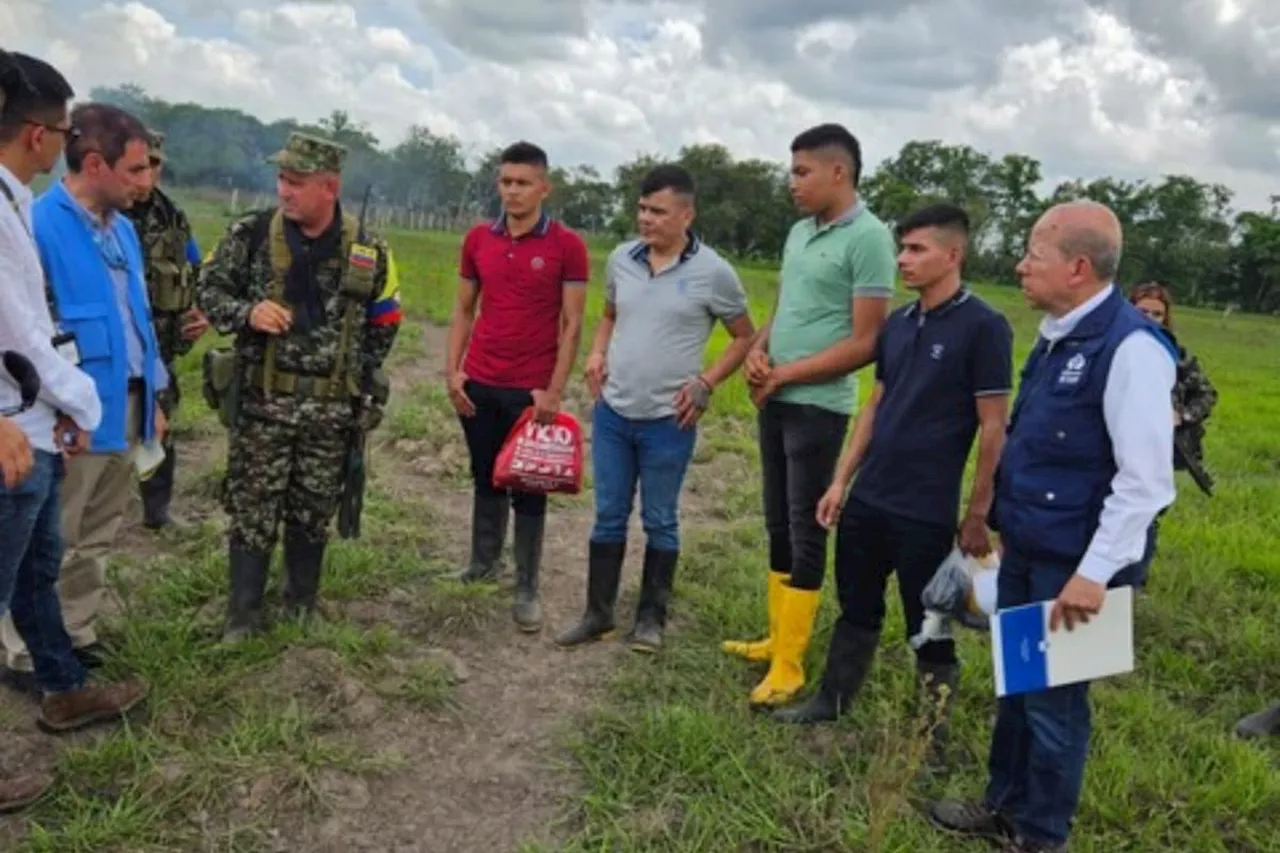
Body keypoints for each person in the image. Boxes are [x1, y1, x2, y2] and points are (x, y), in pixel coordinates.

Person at [928, 201, 1178, 853]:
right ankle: (1002, 804)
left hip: (1078, 567)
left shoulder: (1132, 349)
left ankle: (1042, 837)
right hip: (1030, 550)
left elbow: (1145, 481)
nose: (1020, 264)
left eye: (1033, 253)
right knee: (1019, 684)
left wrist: (1093, 574)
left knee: (1056, 705)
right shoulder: (1057, 332)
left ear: (1078, 265)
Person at [771, 203, 1013, 770]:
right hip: (870, 498)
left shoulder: (984, 327)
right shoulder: (900, 325)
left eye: (917, 249)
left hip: (926, 509)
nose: (903, 259)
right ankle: (832, 699)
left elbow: (993, 425)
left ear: (952, 255)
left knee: (927, 620)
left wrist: (978, 511)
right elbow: (875, 404)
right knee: (856, 603)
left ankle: (932, 737)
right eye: (901, 248)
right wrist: (839, 481)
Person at [0, 50, 148, 811]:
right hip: (16, 429)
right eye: (58, 128)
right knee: (16, 571)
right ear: (38, 134)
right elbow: (21, 328)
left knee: (42, 565)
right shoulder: (22, 212)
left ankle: (62, 682)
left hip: (43, 416)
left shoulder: (18, 203)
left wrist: (65, 404)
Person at [197, 131, 402, 642]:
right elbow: (208, 287)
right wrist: (247, 312)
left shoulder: (368, 247)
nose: (284, 191)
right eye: (281, 180)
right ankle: (242, 618)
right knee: (252, 509)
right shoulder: (250, 234)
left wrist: (356, 377)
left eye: (296, 182)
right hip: (264, 403)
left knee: (313, 511)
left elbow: (386, 315)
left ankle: (300, 605)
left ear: (328, 186)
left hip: (330, 414)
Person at [722, 123, 896, 707]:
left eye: (802, 172)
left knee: (805, 528)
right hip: (777, 396)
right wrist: (759, 351)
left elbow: (868, 341)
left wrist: (788, 374)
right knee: (776, 521)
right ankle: (777, 639)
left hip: (818, 408)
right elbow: (785, 307)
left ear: (838, 173)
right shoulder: (800, 232)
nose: (791, 183)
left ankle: (792, 666)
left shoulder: (869, 238)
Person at [554, 165, 755, 653]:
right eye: (642, 209)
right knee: (608, 515)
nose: (646, 219)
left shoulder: (714, 273)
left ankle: (650, 618)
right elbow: (608, 316)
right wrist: (598, 352)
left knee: (660, 518)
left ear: (686, 215)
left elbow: (745, 336)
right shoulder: (623, 258)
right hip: (613, 414)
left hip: (669, 421)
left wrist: (706, 383)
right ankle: (598, 614)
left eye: (657, 211)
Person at [0, 101, 169, 682]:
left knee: (97, 530)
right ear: (95, 164)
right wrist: (53, 409)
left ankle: (75, 631)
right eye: (136, 169)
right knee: (52, 537)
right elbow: (27, 332)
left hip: (128, 400)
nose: (146, 182)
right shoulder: (39, 224)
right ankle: (27, 651)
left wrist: (158, 394)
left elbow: (138, 317)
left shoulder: (123, 231)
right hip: (68, 410)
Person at [444, 141, 589, 632]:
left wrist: (553, 390)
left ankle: (527, 585)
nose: (512, 191)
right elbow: (464, 308)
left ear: (544, 187)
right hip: (479, 381)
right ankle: (483, 563)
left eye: (523, 182)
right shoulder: (478, 239)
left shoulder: (566, 246)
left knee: (529, 484)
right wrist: (453, 370)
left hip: (530, 392)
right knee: (484, 477)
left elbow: (572, 324)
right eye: (505, 181)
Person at [124, 128, 209, 530]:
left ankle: (156, 511)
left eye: (155, 164)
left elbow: (193, 271)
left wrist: (199, 312)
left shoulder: (172, 215)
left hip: (160, 345)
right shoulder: (102, 209)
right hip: (110, 343)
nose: (148, 173)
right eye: (142, 163)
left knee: (161, 424)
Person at [1127, 282, 1217, 588]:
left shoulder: (1176, 354)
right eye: (1142, 311)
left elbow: (1206, 394)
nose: (1150, 318)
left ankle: (1135, 583)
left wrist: (1182, 416)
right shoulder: (1112, 348)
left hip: (1158, 448)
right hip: (1115, 445)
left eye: (1157, 314)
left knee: (1147, 514)